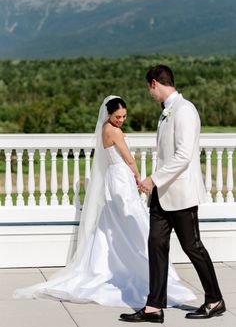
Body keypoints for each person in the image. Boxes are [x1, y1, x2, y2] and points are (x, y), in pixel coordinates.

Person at [14, 95, 196, 309]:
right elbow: (129, 158)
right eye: (118, 116)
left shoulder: (104, 129)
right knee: (132, 219)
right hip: (121, 178)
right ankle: (139, 264)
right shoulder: (114, 131)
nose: (121, 120)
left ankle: (124, 260)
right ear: (109, 114)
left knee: (116, 221)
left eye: (124, 116)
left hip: (114, 176)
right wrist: (138, 177)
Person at [120, 65, 225, 324]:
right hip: (161, 196)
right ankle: (153, 307)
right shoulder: (166, 113)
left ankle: (215, 300)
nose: (149, 93)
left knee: (192, 247)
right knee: (155, 245)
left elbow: (183, 156)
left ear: (155, 83)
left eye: (149, 87)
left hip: (181, 194)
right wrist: (155, 186)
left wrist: (152, 179)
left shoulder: (184, 110)